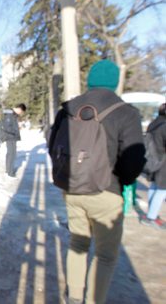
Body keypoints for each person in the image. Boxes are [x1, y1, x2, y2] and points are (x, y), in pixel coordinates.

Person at [48, 60, 146, 304]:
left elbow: (52, 146)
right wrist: (123, 181)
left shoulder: (68, 109)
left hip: (72, 189)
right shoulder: (126, 112)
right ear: (114, 82)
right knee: (105, 256)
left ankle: (74, 297)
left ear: (90, 81)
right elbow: (133, 159)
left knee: (78, 243)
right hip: (107, 192)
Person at [141, 103, 166, 230]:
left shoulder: (154, 123)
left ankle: (150, 215)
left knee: (154, 187)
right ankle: (151, 217)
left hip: (153, 160)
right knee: (162, 191)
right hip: (163, 162)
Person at [0, 103, 26, 178]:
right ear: (19, 109)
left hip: (11, 136)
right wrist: (13, 134)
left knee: (11, 153)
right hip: (10, 136)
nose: (21, 113)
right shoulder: (10, 114)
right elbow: (7, 127)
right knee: (11, 154)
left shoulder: (12, 114)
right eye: (21, 112)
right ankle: (10, 172)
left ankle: (8, 170)